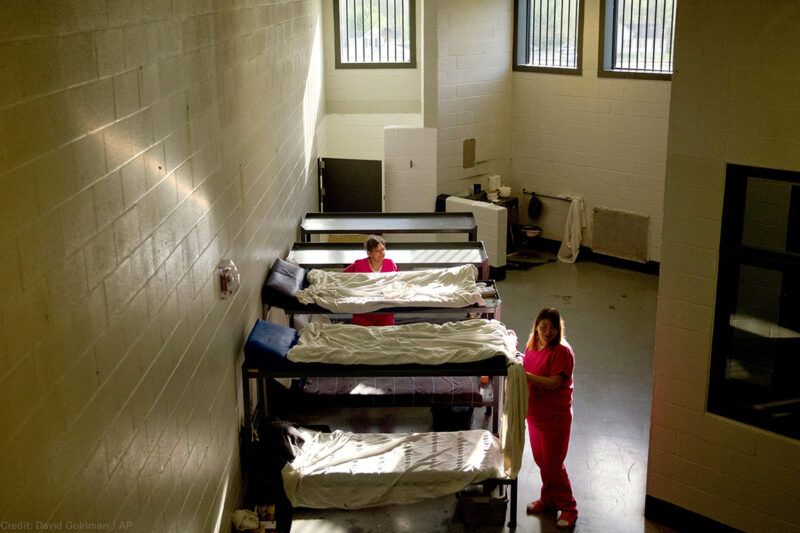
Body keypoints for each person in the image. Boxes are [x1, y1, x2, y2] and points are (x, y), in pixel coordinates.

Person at [522, 307, 578, 529]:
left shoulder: (561, 352)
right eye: (543, 327)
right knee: (541, 460)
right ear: (536, 327)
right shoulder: (533, 345)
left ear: (558, 330)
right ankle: (548, 499)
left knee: (554, 464)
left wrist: (523, 376)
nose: (547, 332)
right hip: (535, 416)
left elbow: (554, 383)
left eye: (552, 328)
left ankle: (568, 507)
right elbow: (526, 365)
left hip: (555, 418)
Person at [343, 234, 399, 326]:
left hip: (385, 311)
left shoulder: (390, 264)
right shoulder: (359, 264)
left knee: (386, 336)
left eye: (383, 250)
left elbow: (398, 281)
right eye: (378, 251)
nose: (382, 253)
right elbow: (342, 277)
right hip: (363, 311)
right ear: (369, 253)